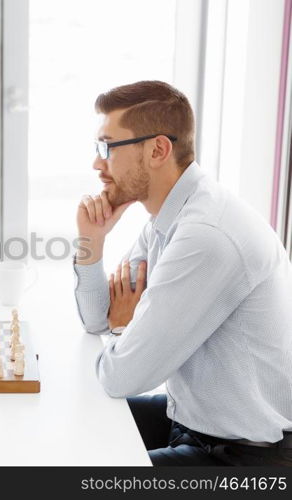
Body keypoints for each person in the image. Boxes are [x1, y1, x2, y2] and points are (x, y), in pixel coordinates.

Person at [74, 80, 292, 465]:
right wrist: (92, 242)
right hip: (190, 417)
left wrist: (127, 327)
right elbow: (97, 319)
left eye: (106, 147)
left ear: (158, 149)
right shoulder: (169, 217)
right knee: (76, 414)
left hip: (246, 456)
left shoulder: (205, 236)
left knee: (85, 474)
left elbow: (121, 376)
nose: (96, 163)